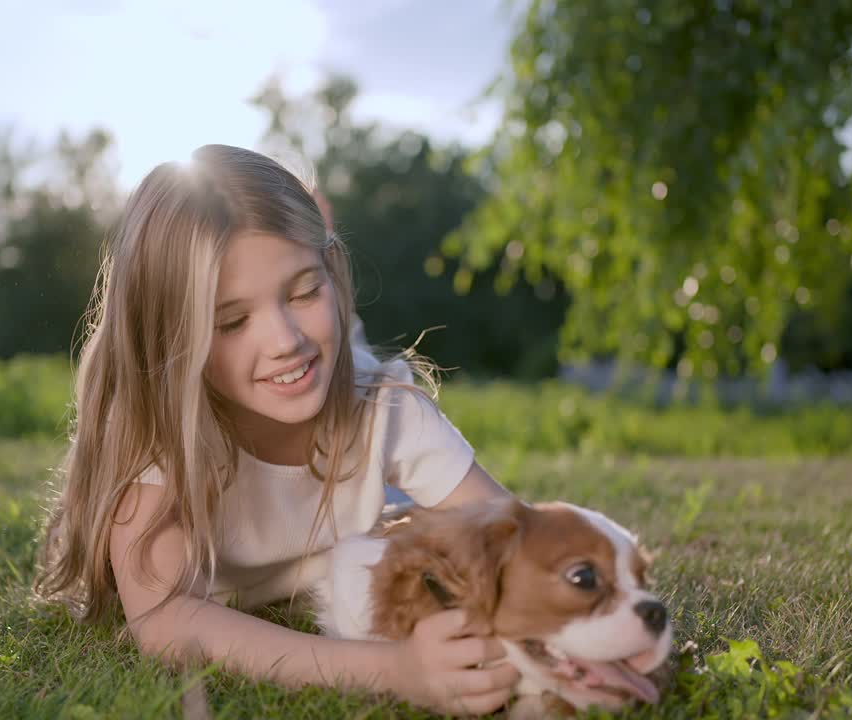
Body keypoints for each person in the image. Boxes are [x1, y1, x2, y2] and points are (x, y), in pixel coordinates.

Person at [34, 144, 520, 716]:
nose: (283, 336)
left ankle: (321, 268)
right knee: (321, 356)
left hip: (341, 398)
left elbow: (512, 536)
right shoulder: (158, 427)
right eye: (233, 320)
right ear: (172, 337)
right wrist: (393, 671)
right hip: (247, 413)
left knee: (344, 360)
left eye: (304, 290)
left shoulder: (387, 404)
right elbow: (163, 617)